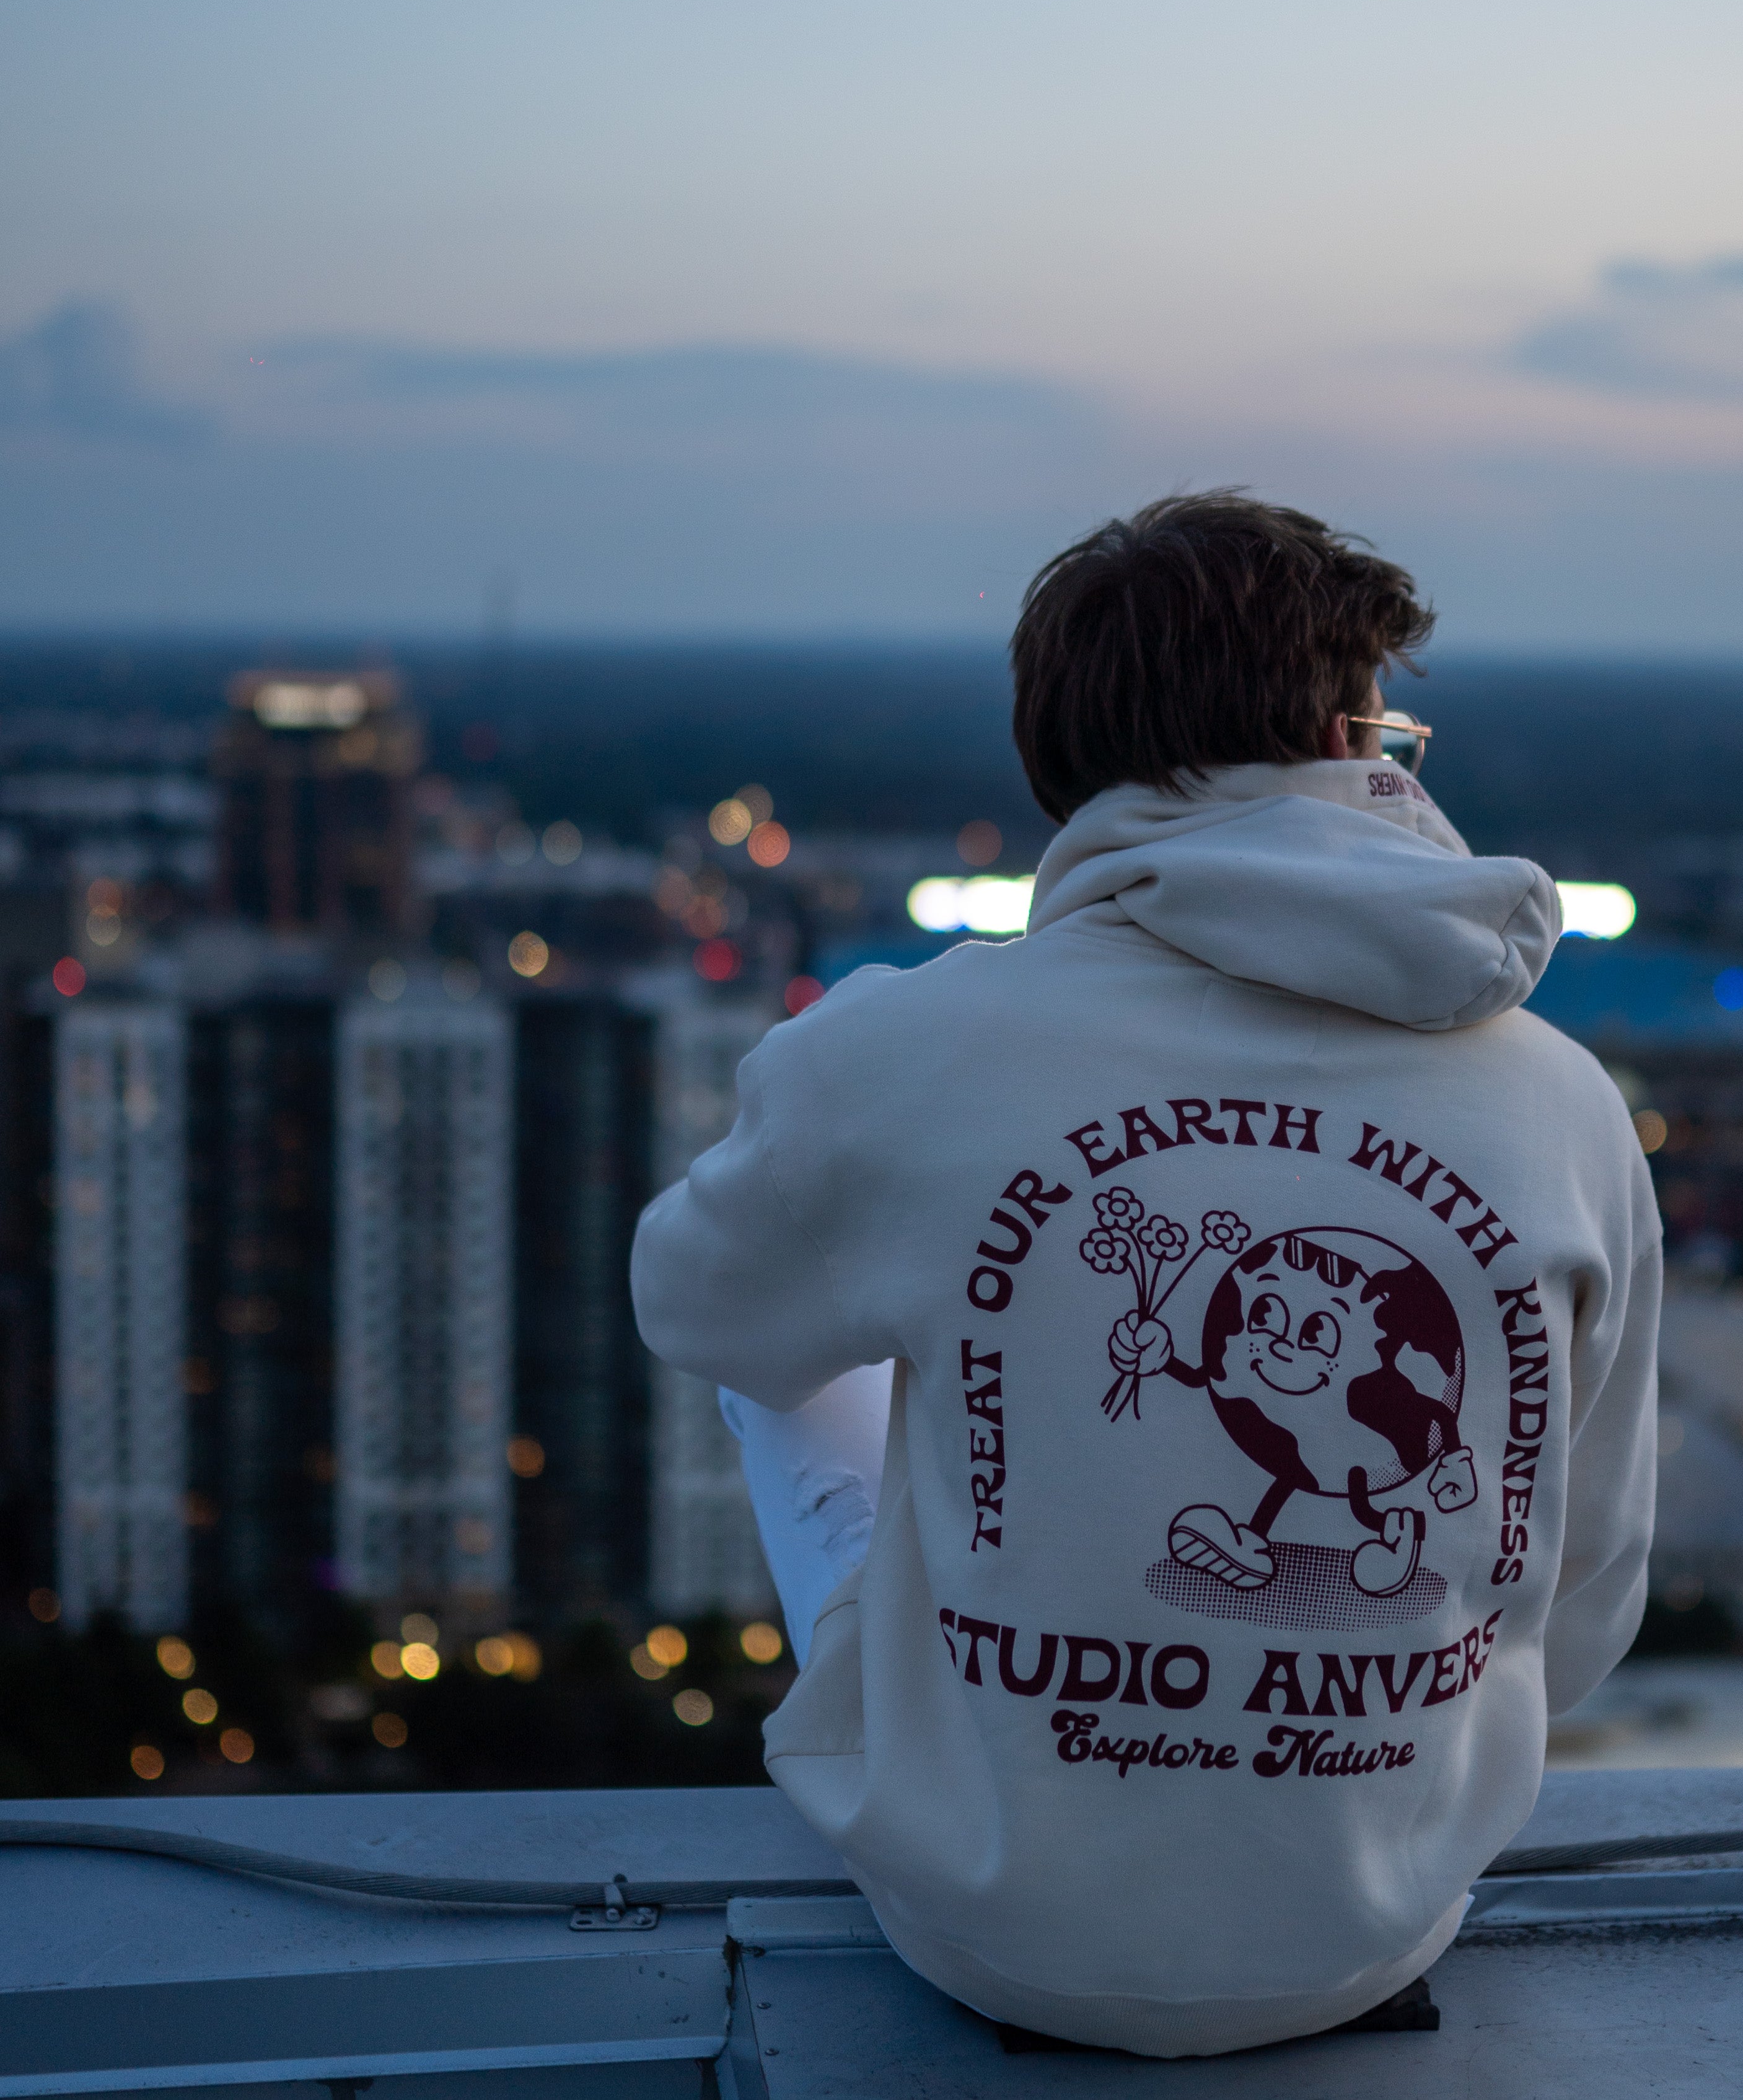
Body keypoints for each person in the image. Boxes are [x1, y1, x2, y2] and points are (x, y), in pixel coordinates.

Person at [631, 492, 1659, 2058]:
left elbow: (689, 1303)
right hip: (1368, 1923)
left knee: (793, 1325)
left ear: (1066, 770)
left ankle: (958, 1715)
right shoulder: (1566, 1097)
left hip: (986, 1924)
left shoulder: (898, 1049)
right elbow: (1578, 1617)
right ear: (1344, 731)